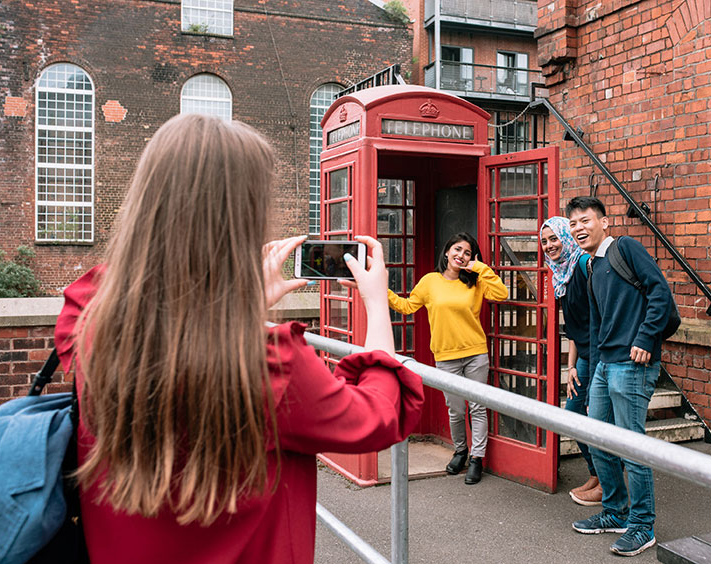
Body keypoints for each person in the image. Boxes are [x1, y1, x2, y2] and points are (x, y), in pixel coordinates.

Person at [52, 114, 424, 564]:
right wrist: (377, 302)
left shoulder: (90, 316)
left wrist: (241, 301)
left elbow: (168, 316)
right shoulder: (269, 365)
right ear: (240, 221)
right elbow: (380, 415)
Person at [566, 196, 675, 557]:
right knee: (597, 438)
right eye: (574, 225)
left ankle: (642, 526)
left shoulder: (625, 248)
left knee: (631, 445)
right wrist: (594, 363)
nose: (579, 228)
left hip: (632, 363)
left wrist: (645, 338)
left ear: (604, 223)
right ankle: (615, 512)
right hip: (604, 364)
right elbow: (597, 324)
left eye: (585, 221)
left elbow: (660, 291)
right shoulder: (590, 267)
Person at [387, 232, 508, 485]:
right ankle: (461, 451)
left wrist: (481, 267)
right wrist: (379, 289)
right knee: (455, 410)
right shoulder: (430, 281)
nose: (460, 256)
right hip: (446, 356)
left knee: (477, 408)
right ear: (446, 252)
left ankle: (477, 458)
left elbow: (501, 294)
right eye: (457, 250)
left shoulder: (475, 281)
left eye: (466, 253)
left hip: (475, 353)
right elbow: (406, 306)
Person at [539, 216, 601, 506]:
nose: (549, 245)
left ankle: (606, 481)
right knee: (575, 417)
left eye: (554, 238)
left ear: (566, 235)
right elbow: (573, 326)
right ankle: (597, 475)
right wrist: (571, 366)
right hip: (584, 356)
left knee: (585, 418)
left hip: (600, 354)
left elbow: (597, 318)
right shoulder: (559, 272)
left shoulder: (582, 266)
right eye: (545, 241)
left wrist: (594, 365)